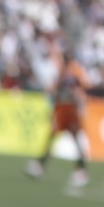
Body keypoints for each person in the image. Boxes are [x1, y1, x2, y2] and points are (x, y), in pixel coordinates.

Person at [27, 45, 92, 193]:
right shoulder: (63, 70)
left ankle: (80, 170)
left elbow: (84, 88)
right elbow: (55, 88)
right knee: (52, 136)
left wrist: (80, 103)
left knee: (74, 139)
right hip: (62, 108)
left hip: (71, 109)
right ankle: (40, 165)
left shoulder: (76, 70)